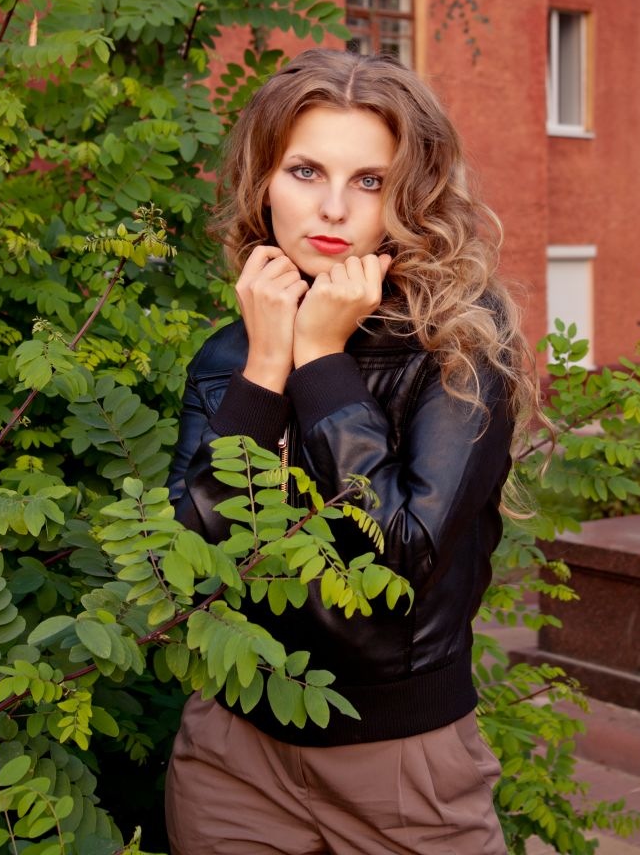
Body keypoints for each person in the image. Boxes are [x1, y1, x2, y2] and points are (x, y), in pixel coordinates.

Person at [164, 49, 539, 855]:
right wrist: (266, 367)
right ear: (263, 181)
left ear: (412, 194)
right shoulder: (231, 352)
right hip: (231, 751)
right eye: (305, 171)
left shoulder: (460, 347)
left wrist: (321, 361)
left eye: (369, 180)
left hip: (401, 766)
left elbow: (400, 555)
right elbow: (188, 566)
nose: (332, 208)